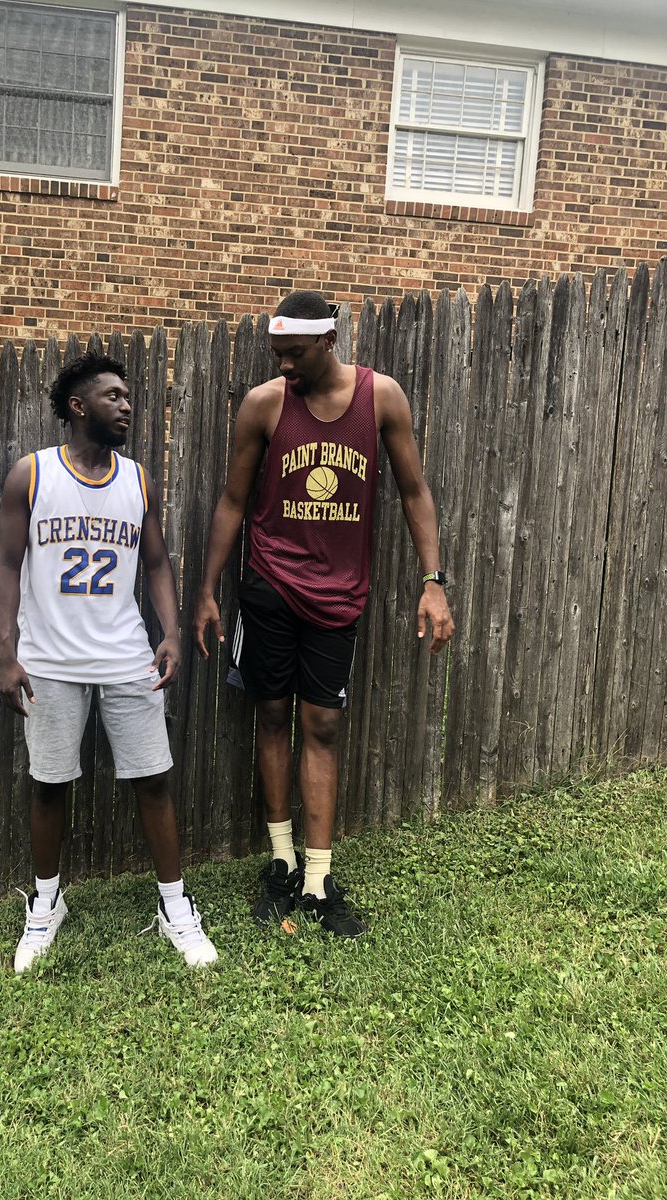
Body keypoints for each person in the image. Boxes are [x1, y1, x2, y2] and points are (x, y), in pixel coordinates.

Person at [193, 290, 454, 938]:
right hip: (271, 586)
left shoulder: (380, 398)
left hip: (339, 595)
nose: (283, 365)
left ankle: (319, 879)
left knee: (324, 725)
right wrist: (207, 588)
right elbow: (232, 500)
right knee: (271, 714)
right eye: (276, 354)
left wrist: (433, 582)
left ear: (329, 341)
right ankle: (282, 863)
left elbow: (415, 492)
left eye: (294, 353)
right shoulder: (265, 405)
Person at [0, 352, 217, 973]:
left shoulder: (137, 480)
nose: (126, 405)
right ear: (77, 406)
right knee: (49, 784)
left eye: (127, 396)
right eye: (112, 396)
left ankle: (175, 906)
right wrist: (6, 652)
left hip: (125, 655)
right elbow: (7, 564)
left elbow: (156, 563)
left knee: (153, 779)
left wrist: (171, 632)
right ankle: (46, 903)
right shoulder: (32, 474)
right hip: (50, 660)